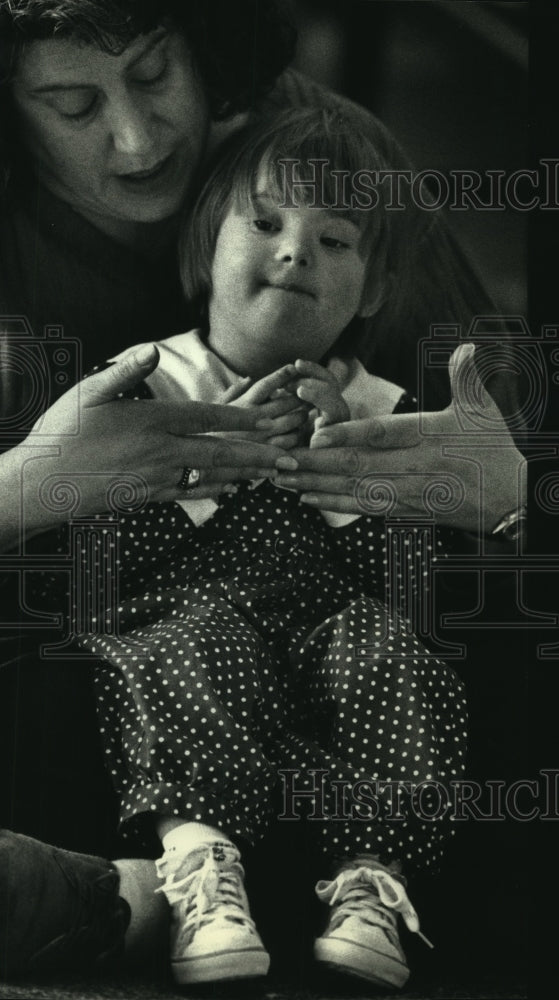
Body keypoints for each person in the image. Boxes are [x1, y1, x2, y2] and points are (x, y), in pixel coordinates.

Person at [0, 0, 526, 985]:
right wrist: (27, 485)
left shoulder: (319, 157)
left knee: (413, 654)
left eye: (156, 74)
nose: (137, 135)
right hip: (92, 695)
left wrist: (511, 494)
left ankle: (357, 878)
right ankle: (160, 886)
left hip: (358, 675)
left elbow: (515, 450)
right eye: (72, 104)